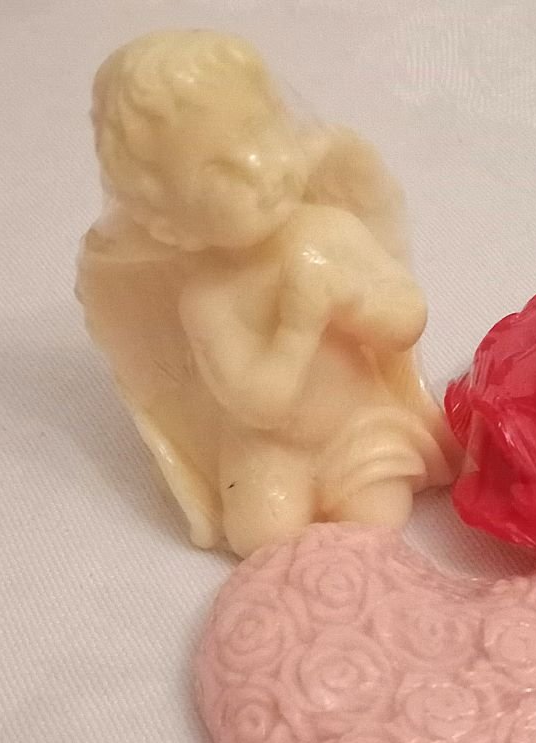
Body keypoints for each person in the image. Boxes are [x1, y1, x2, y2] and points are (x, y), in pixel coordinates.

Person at [78, 30, 458, 556]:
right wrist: (298, 327)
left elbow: (407, 319)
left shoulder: (330, 230)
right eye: (219, 170)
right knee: (261, 539)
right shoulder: (209, 300)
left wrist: (353, 304)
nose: (259, 169)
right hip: (272, 447)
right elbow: (260, 405)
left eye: (261, 131)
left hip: (356, 425)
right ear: (169, 225)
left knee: (379, 516)